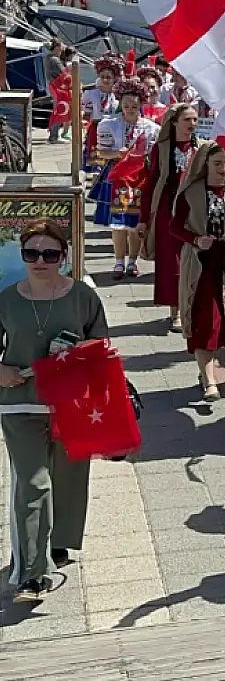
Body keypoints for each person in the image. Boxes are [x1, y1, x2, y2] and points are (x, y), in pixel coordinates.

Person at [0, 221, 108, 602]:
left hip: (71, 405)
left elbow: (102, 345)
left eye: (49, 254)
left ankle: (57, 542)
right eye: (31, 253)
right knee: (33, 483)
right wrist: (3, 370)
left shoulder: (82, 296)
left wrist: (81, 358)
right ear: (22, 255)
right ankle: (30, 571)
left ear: (63, 257)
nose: (40, 261)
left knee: (68, 477)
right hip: (20, 403)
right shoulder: (6, 299)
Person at [170, 144, 225, 399]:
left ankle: (208, 372)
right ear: (206, 165)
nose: (224, 169)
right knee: (205, 322)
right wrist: (196, 239)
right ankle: (210, 380)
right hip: (200, 264)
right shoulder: (191, 193)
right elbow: (175, 227)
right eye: (218, 164)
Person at [138, 103, 202, 331]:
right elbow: (152, 182)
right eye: (187, 119)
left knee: (196, 259)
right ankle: (175, 312)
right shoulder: (162, 148)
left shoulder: (201, 147)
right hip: (168, 210)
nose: (192, 124)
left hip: (195, 211)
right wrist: (144, 219)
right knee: (172, 263)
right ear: (174, 122)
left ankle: (193, 308)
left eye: (195, 120)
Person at [93, 78, 160, 279]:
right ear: (120, 103)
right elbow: (100, 153)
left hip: (140, 177)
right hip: (118, 176)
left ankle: (133, 261)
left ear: (141, 104)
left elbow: (154, 156)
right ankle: (118, 262)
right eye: (126, 105)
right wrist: (117, 154)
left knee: (136, 221)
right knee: (118, 223)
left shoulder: (151, 128)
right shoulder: (109, 124)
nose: (130, 109)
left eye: (134, 105)